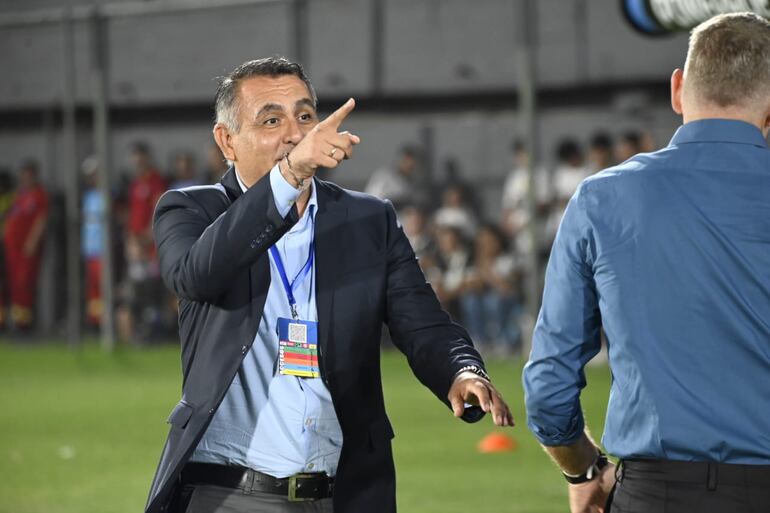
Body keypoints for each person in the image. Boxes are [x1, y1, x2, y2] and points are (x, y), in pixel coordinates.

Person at [146, 57, 513, 513]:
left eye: (304, 116)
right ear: (227, 141)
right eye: (271, 120)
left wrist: (461, 370)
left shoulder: (368, 219)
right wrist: (287, 177)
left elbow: (423, 323)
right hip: (229, 494)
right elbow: (195, 275)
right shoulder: (191, 210)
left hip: (345, 495)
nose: (295, 134)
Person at [523, 12, 770, 513]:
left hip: (656, 493)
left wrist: (585, 469)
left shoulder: (602, 197)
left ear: (678, 89)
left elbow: (549, 385)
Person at [2, 160, 48, 331]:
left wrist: (33, 241)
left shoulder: (39, 195)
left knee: (24, 283)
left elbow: (41, 219)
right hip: (12, 247)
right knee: (13, 283)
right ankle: (16, 320)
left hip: (25, 248)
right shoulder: (19, 195)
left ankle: (25, 323)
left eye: (29, 175)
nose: (26, 178)